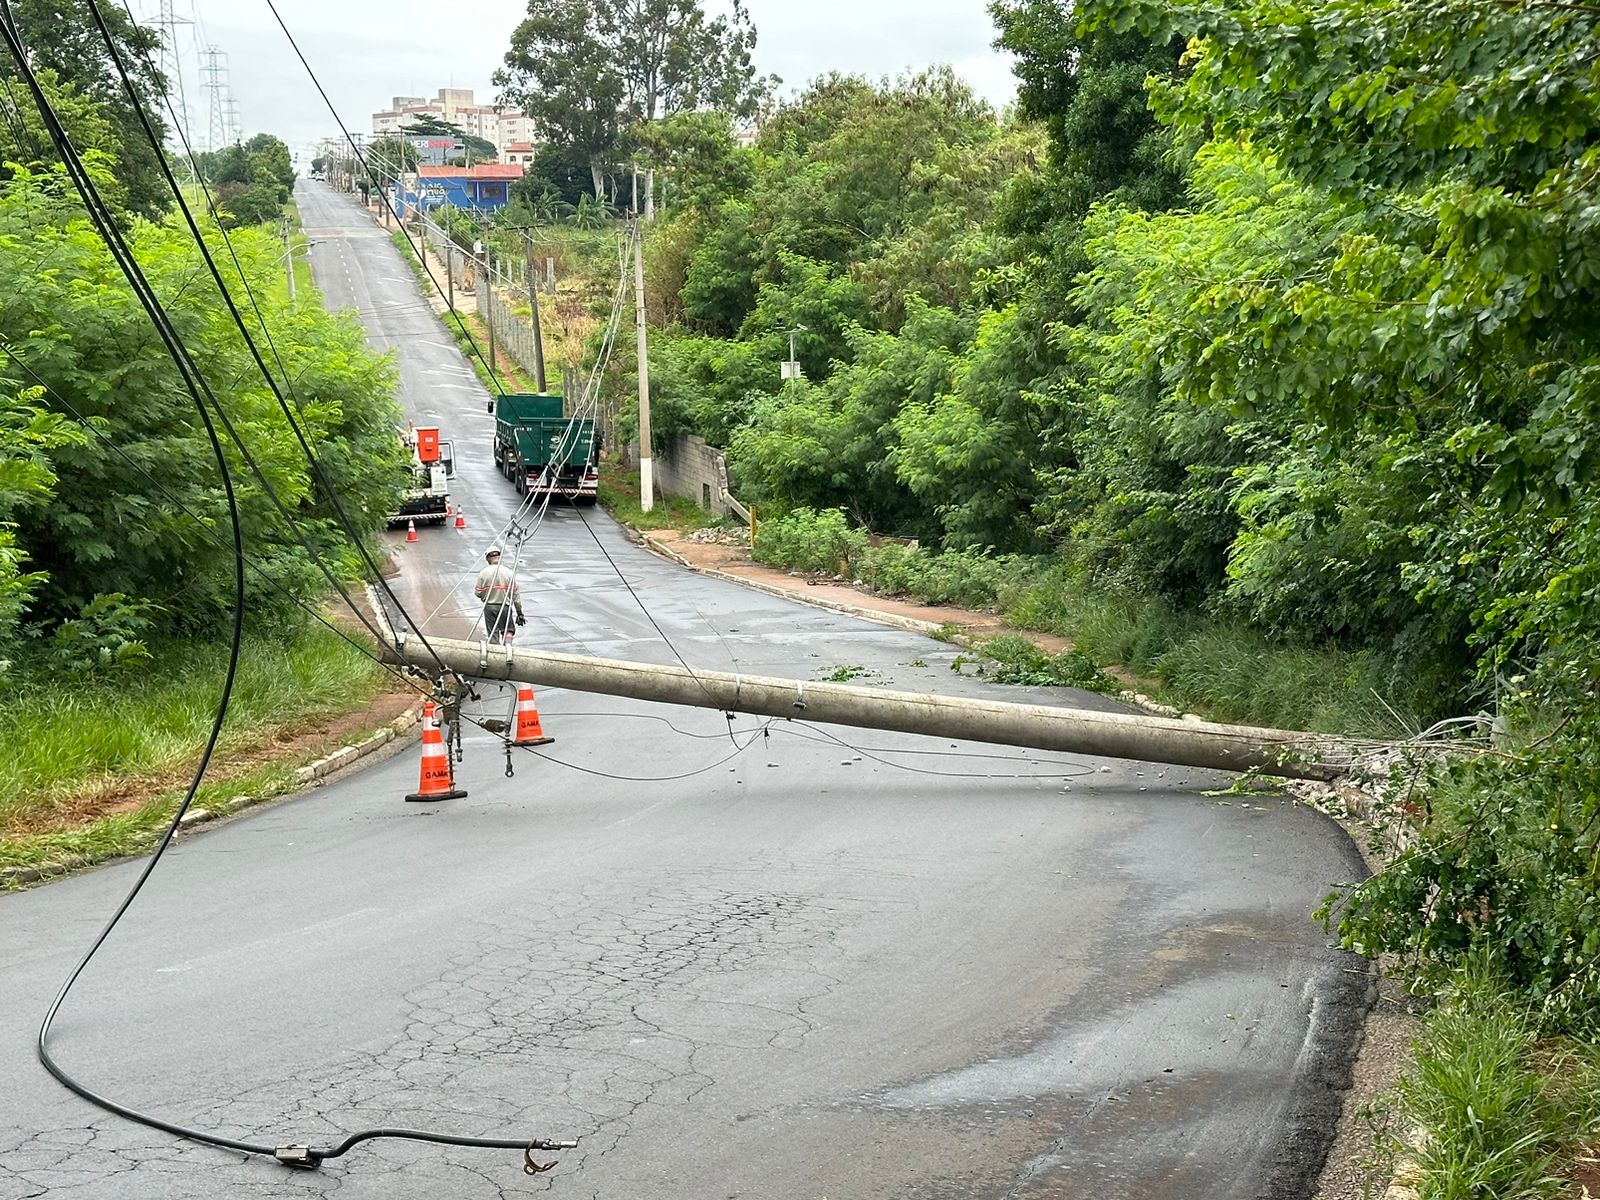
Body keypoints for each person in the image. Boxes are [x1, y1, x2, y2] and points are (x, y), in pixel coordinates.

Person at [473, 547, 525, 643]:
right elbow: (515, 595)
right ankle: (508, 648)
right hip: (505, 607)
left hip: (489, 607)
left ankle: (494, 649)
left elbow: (478, 592)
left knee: (493, 634)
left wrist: (487, 594)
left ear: (488, 558)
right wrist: (519, 612)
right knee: (508, 630)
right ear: (500, 557)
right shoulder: (509, 573)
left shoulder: (483, 573)